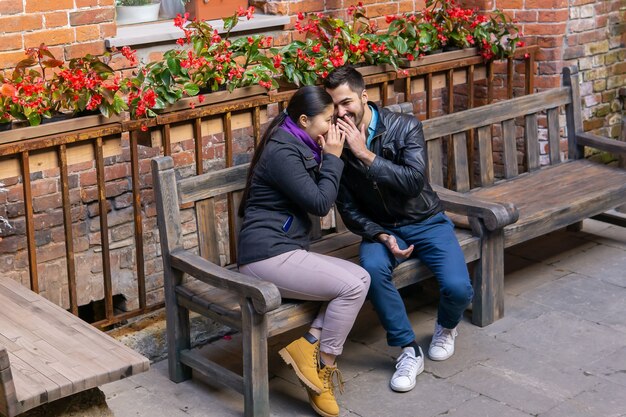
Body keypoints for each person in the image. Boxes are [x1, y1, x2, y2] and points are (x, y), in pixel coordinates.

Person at [323, 66, 474, 393]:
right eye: (333, 106)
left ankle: (447, 327)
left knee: (459, 289)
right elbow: (347, 208)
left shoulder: (404, 127)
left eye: (346, 102)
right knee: (372, 269)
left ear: (364, 97)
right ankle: (408, 349)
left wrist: (364, 153)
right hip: (382, 227)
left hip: (426, 219)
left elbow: (413, 181)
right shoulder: (335, 144)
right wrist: (379, 234)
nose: (340, 112)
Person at [237, 85, 371, 417]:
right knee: (352, 286)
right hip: (265, 257)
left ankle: (308, 346)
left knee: (361, 278)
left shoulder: (299, 141)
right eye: (327, 119)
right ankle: (323, 367)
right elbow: (319, 203)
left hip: (285, 250)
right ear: (303, 119)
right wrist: (333, 159)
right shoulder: (283, 151)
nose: (332, 125)